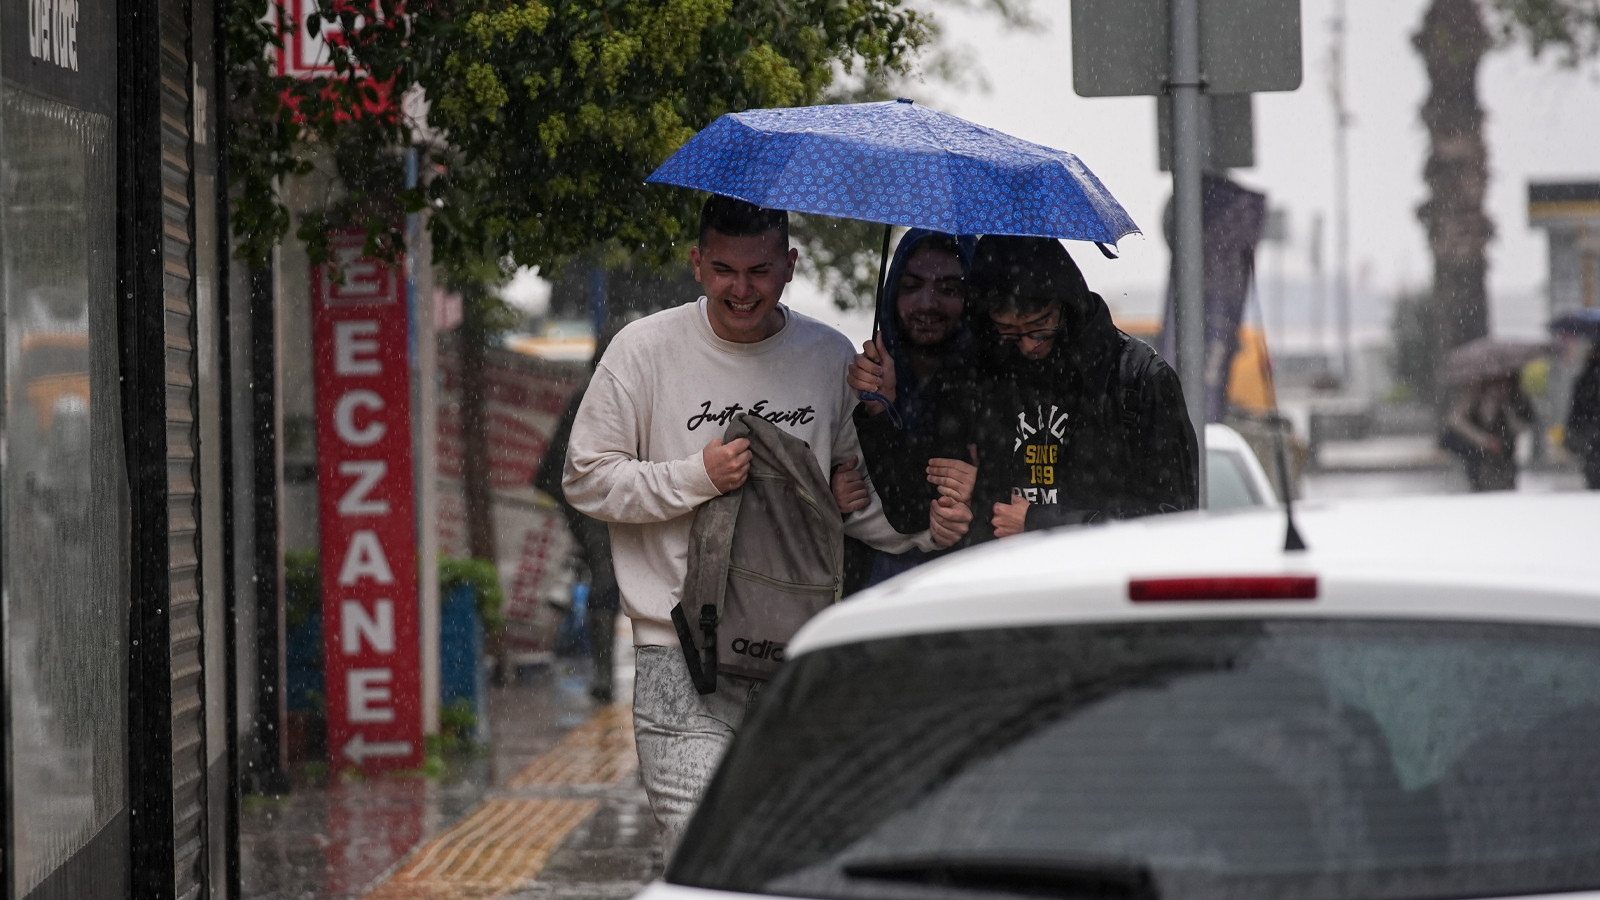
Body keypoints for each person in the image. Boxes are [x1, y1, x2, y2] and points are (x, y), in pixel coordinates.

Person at [562, 196, 968, 854]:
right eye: (724, 269)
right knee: (701, 852)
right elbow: (586, 477)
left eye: (758, 271)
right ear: (696, 264)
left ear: (790, 267)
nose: (740, 289)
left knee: (784, 856)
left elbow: (856, 502)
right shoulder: (642, 351)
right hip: (679, 652)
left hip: (794, 654)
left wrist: (929, 533)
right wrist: (698, 475)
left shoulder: (828, 355)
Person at [855, 235, 1197, 542]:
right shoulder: (976, 373)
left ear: (1068, 304)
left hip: (1098, 599)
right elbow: (909, 510)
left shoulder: (1137, 378)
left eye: (1040, 329)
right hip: (1000, 596)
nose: (1029, 346)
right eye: (1009, 331)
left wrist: (1042, 523)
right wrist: (880, 407)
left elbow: (1174, 524)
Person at [837, 230, 976, 586]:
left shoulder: (996, 385)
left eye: (949, 289)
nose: (927, 303)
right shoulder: (857, 378)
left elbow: (911, 512)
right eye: (912, 285)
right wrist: (878, 406)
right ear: (892, 291)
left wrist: (981, 490)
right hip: (868, 595)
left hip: (965, 592)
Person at [1444, 373, 1532, 492]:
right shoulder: (1475, 393)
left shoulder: (1515, 396)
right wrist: (1484, 440)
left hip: (1506, 451)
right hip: (1479, 453)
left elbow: (1522, 426)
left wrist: (1507, 407)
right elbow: (1456, 420)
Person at [1567, 342, 1600, 490]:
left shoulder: (1585, 376)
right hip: (1592, 433)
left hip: (1591, 434)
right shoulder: (1586, 378)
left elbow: (1576, 410)